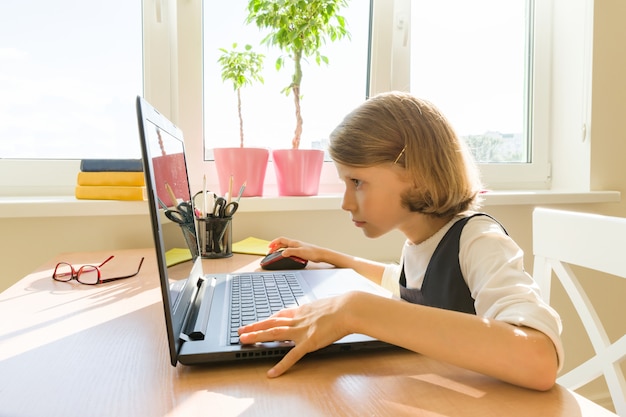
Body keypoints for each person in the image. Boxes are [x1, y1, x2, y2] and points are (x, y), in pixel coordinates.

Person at [238, 91, 563, 391]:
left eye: (357, 182)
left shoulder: (478, 240)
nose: (346, 202)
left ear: (417, 174)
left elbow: (540, 359)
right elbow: (406, 284)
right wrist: (331, 256)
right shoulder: (419, 241)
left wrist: (355, 310)